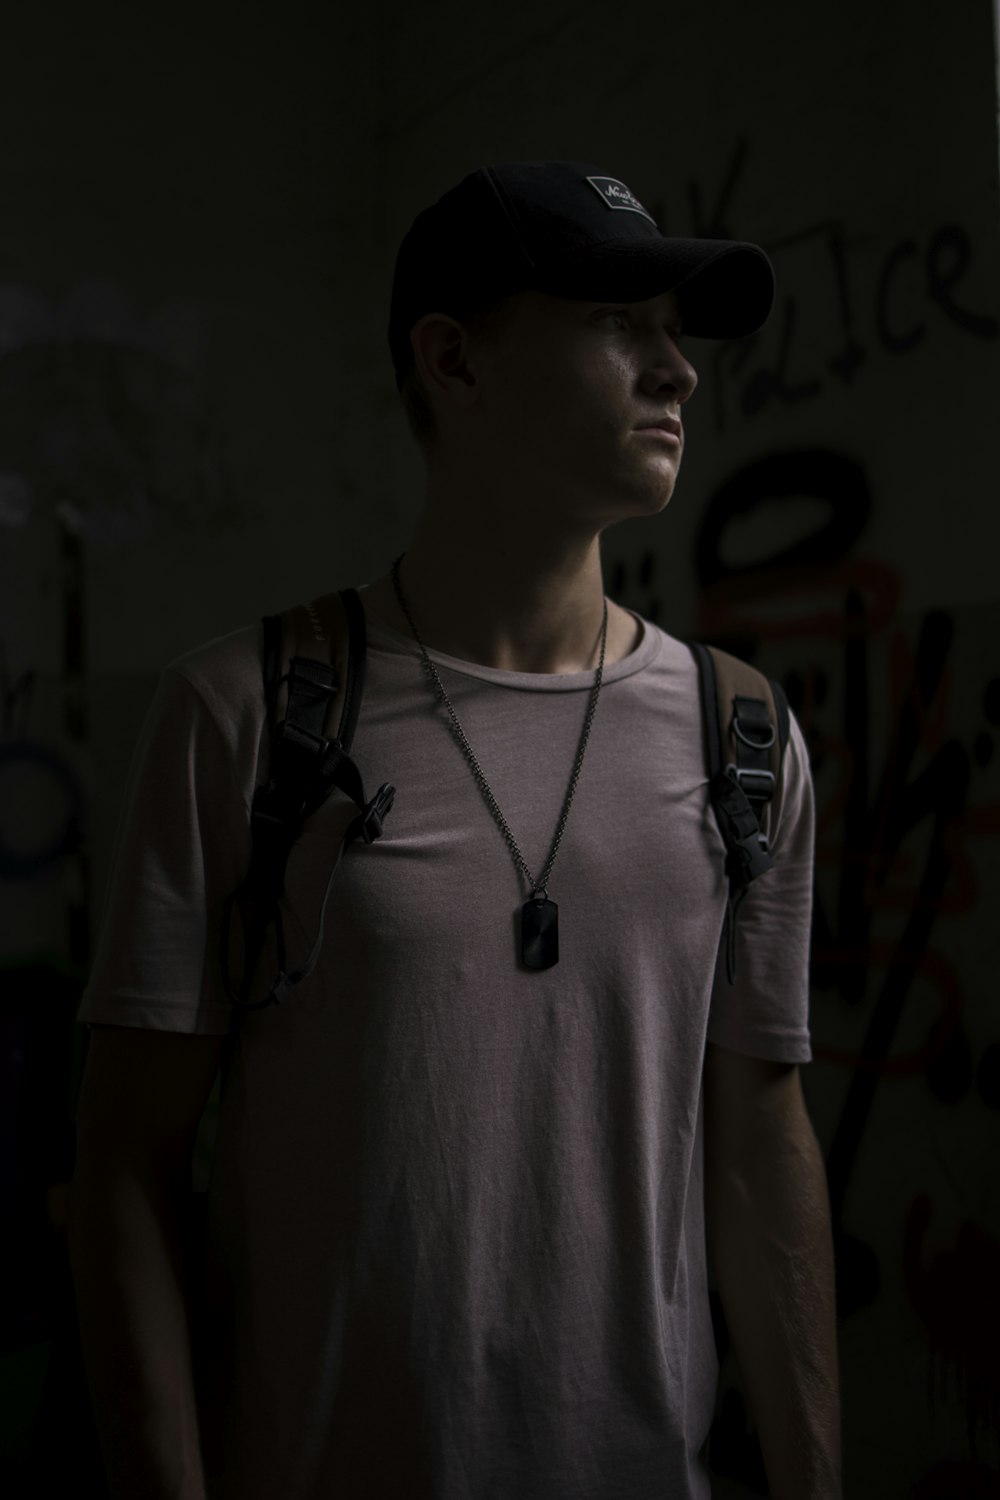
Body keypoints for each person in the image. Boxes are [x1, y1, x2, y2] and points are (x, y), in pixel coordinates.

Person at [68, 160, 842, 1500]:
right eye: (620, 323)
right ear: (453, 359)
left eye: (681, 331)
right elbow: (123, 1172)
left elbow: (762, 1152)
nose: (681, 372)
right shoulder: (249, 716)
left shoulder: (745, 740)